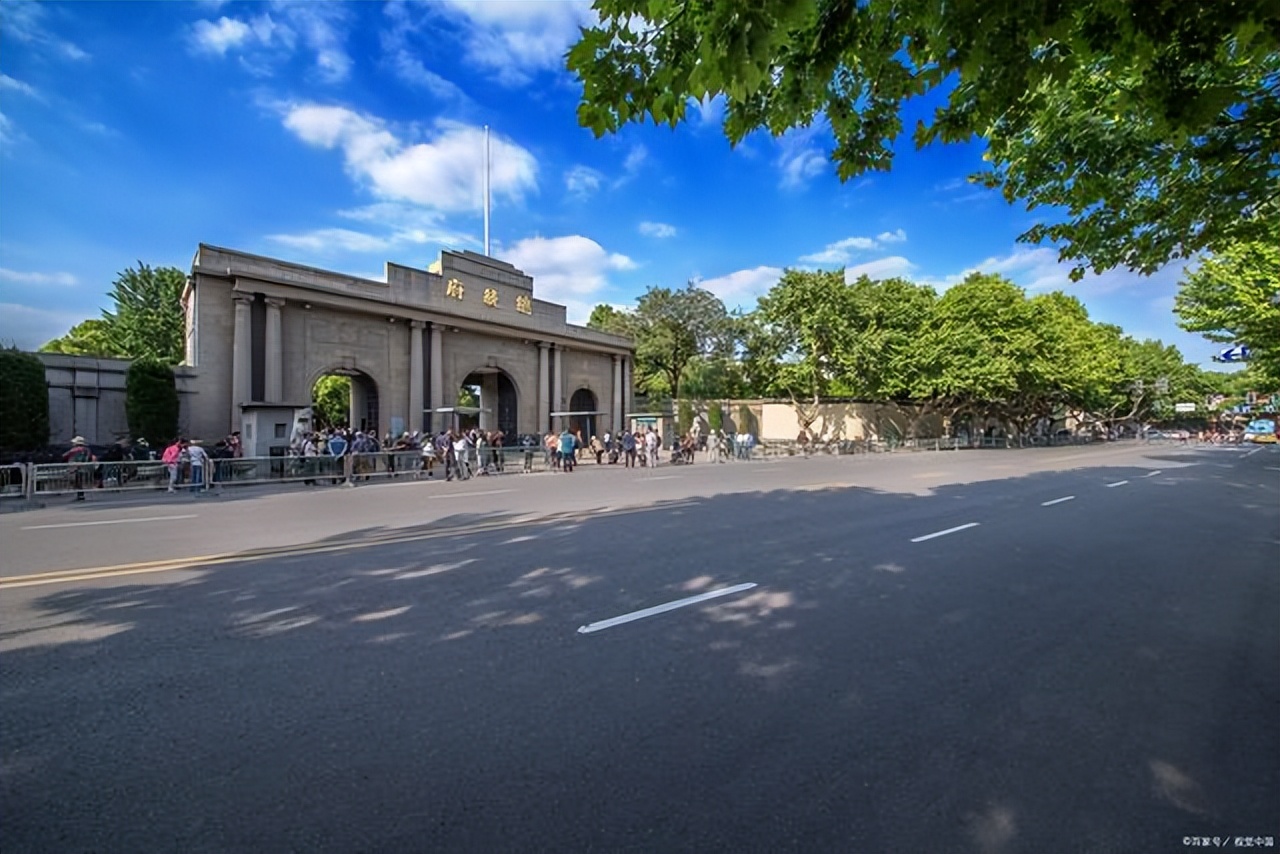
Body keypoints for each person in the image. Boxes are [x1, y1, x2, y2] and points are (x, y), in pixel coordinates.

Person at [63, 435, 96, 501]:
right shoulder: (87, 450)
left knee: (76, 481)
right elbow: (89, 457)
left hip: (75, 468)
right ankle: (80, 495)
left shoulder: (74, 450)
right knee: (79, 481)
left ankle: (80, 495)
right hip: (84, 468)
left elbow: (65, 456)